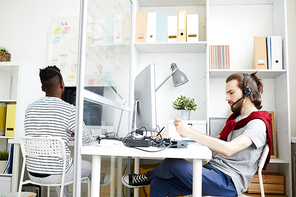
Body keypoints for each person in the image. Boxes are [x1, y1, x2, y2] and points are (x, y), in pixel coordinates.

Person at [121, 72, 272, 196]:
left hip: (228, 181)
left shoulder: (257, 124)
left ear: (247, 91)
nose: (227, 98)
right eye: (227, 93)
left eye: (231, 93)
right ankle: (151, 178)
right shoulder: (237, 118)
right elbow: (217, 141)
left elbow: (228, 149)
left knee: (174, 162)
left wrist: (191, 133)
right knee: (158, 185)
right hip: (213, 171)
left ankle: (147, 176)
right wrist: (183, 137)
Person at [24, 66, 111, 197]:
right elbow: (86, 139)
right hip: (57, 173)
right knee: (90, 166)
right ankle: (97, 179)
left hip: (33, 172)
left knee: (62, 161)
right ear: (62, 84)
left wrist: (63, 132)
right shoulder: (69, 110)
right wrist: (71, 132)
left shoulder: (29, 109)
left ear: (43, 88)